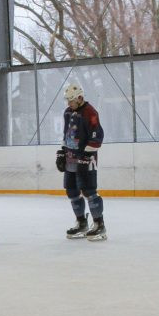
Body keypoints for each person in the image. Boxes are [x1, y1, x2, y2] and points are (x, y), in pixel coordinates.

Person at [57, 83, 106, 240]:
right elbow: (67, 134)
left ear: (79, 98)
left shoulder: (90, 112)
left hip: (86, 159)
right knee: (71, 191)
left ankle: (99, 225)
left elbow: (97, 137)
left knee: (88, 191)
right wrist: (62, 152)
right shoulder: (68, 112)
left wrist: (86, 155)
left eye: (71, 100)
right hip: (71, 158)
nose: (69, 103)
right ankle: (81, 223)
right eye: (67, 100)